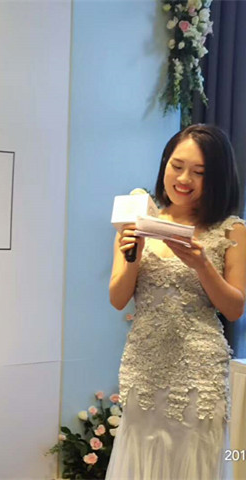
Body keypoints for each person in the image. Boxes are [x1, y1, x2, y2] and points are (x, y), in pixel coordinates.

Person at [107, 124, 246, 479]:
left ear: (217, 178)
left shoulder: (231, 229)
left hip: (199, 373)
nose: (184, 179)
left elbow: (234, 308)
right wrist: (134, 254)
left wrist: (202, 264)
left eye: (199, 172)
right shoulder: (136, 221)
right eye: (177, 166)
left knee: (194, 459)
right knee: (140, 455)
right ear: (164, 165)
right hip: (144, 367)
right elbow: (118, 298)